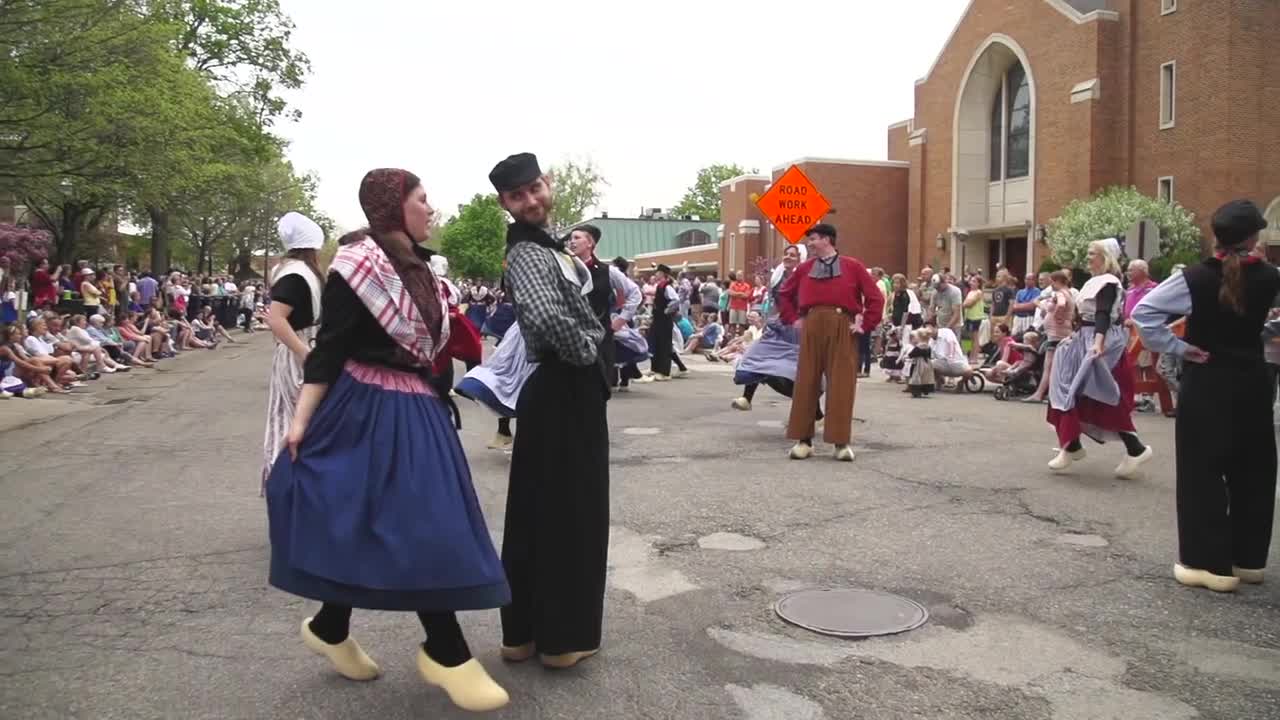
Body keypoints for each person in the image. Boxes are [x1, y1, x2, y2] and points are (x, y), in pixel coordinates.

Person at [265, 169, 510, 712]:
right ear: (393, 206)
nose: (430, 209)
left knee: (389, 523)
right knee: (418, 523)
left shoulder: (419, 266)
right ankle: (446, 651)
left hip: (417, 406)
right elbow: (330, 347)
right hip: (369, 408)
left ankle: (331, 626)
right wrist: (302, 420)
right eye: (422, 200)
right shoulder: (359, 265)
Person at [489, 152, 609, 669]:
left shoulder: (544, 246)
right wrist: (589, 346)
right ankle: (562, 640)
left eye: (534, 188)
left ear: (547, 184)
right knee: (573, 513)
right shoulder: (528, 253)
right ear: (506, 204)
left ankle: (524, 634)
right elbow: (540, 317)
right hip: (564, 385)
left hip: (552, 391)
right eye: (518, 196)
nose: (531, 200)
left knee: (538, 511)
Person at [1134, 200, 1279, 593]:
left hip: (1209, 378)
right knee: (1254, 469)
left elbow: (1145, 313)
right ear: (1253, 237)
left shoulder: (1195, 277)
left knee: (1203, 470)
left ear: (1217, 235)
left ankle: (1207, 563)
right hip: (1253, 380)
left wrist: (1180, 348)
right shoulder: (1270, 276)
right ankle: (1247, 560)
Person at [776, 224, 884, 462]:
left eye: (813, 239)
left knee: (842, 384)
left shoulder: (852, 266)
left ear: (827, 240)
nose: (810, 244)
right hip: (812, 323)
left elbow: (876, 297)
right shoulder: (804, 269)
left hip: (842, 325)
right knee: (806, 381)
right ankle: (803, 441)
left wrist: (865, 324)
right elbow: (784, 293)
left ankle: (840, 443)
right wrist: (792, 318)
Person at [1046, 238, 1152, 477]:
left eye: (1092, 253)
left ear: (1106, 257)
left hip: (1100, 342)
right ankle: (1070, 444)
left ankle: (1134, 448)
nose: (1088, 257)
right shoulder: (1093, 282)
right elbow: (1085, 316)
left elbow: (1103, 314)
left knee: (1098, 395)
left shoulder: (1108, 282)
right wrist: (1074, 337)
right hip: (1085, 337)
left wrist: (1097, 343)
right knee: (1064, 389)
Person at [261, 212, 326, 496]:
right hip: (300, 352)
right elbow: (277, 318)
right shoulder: (296, 273)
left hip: (306, 347)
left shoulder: (297, 271)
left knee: (303, 422)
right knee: (292, 422)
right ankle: (287, 490)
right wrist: (304, 352)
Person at [732, 243, 823, 413]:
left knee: (794, 376)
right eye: (786, 254)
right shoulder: (777, 277)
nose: (787, 257)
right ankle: (746, 398)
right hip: (778, 326)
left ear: (800, 259)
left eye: (792, 255)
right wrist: (766, 322)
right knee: (755, 356)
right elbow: (774, 304)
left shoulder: (807, 278)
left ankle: (817, 413)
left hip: (796, 331)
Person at [648, 263, 680, 381]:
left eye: (657, 272)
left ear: (662, 274)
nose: (655, 274)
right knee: (656, 342)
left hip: (664, 320)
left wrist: (667, 310)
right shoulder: (660, 286)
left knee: (664, 345)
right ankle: (655, 369)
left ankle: (664, 372)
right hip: (658, 319)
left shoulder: (667, 287)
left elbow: (676, 300)